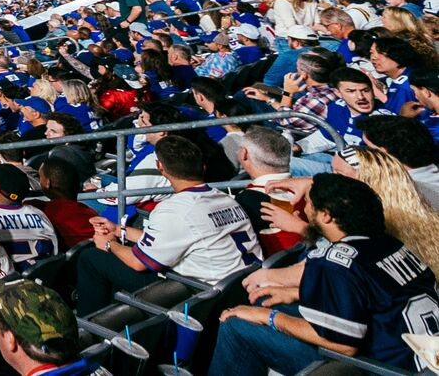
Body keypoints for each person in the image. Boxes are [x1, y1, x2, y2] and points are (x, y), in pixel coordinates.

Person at [213, 171, 437, 372]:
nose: (305, 208)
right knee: (270, 304)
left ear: (326, 215)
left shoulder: (336, 261)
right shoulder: (392, 244)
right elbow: (375, 297)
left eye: (309, 203)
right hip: (418, 357)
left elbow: (342, 344)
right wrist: (295, 293)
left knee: (237, 326)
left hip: (381, 368)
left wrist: (268, 318)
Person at [72, 133, 259, 311]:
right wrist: (120, 230)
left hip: (201, 294)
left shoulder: (174, 209)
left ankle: (90, 332)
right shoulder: (225, 198)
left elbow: (138, 262)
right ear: (202, 166)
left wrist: (108, 244)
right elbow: (170, 238)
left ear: (160, 168)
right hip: (239, 286)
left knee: (91, 258)